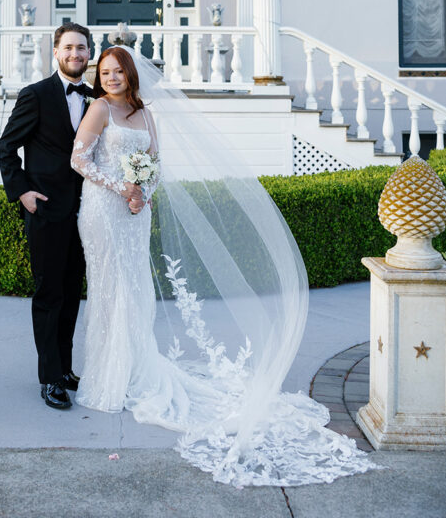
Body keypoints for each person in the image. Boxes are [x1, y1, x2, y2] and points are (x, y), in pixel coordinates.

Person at [71, 44, 378, 488]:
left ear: (132, 75)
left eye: (118, 72)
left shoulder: (146, 113)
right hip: (103, 210)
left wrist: (145, 192)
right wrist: (123, 187)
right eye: (105, 72)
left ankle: (135, 366)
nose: (111, 78)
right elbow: (78, 160)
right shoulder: (98, 109)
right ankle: (109, 376)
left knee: (135, 288)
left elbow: (155, 163)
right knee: (109, 290)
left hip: (136, 213)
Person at [0, 22, 98, 410]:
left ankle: (65, 368)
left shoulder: (96, 97)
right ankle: (49, 378)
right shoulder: (35, 95)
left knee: (73, 292)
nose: (76, 54)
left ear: (89, 54)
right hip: (47, 211)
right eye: (69, 48)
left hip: (88, 212)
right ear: (56, 53)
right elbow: (7, 147)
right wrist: (22, 191)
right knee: (49, 293)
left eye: (82, 48)